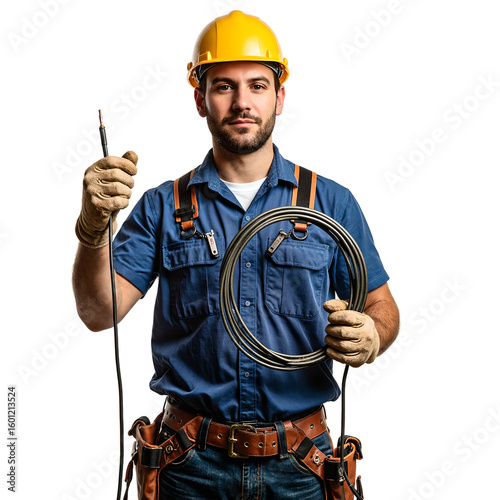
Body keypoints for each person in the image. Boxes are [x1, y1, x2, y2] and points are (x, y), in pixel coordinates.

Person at [72, 10, 399, 500]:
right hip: (189, 467)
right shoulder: (164, 206)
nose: (242, 102)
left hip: (301, 466)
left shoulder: (330, 203)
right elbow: (99, 312)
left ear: (280, 97)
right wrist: (92, 227)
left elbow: (383, 307)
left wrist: (373, 333)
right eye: (223, 86)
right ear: (200, 99)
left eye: (257, 85)